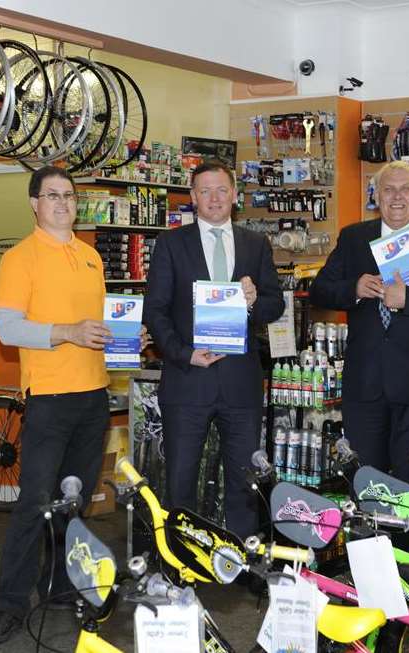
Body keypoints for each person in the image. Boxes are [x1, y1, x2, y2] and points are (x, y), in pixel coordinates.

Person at [0, 166, 145, 645]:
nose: (62, 203)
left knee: (74, 508)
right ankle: (9, 605)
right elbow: (9, 330)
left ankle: (63, 589)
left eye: (68, 195)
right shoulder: (19, 258)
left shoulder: (91, 256)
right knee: (34, 505)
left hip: (93, 398)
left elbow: (95, 328)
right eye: (52, 195)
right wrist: (67, 332)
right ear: (34, 203)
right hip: (48, 400)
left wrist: (128, 340)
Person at [309, 160, 409, 551]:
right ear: (376, 196)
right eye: (388, 190)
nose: (397, 197)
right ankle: (368, 568)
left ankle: (407, 574)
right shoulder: (354, 238)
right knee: (364, 479)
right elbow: (320, 291)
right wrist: (353, 288)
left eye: (405, 190)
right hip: (365, 385)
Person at [144, 159, 284, 537]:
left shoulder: (255, 244)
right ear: (192, 197)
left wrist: (255, 301)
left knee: (244, 482)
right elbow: (155, 312)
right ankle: (180, 566)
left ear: (235, 195)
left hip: (240, 384)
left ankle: (240, 562)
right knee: (180, 482)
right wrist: (184, 353)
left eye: (222, 189)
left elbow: (276, 305)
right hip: (188, 381)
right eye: (204, 190)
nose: (214, 198)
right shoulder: (171, 245)